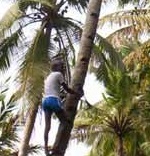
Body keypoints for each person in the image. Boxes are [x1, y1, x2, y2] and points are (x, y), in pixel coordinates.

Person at [42, 60, 83, 156]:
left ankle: (46, 150)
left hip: (45, 101)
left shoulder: (49, 77)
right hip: (53, 100)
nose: (63, 68)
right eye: (61, 66)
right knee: (65, 122)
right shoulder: (58, 74)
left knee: (47, 127)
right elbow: (67, 89)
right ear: (56, 67)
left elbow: (54, 89)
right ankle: (56, 148)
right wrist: (77, 94)